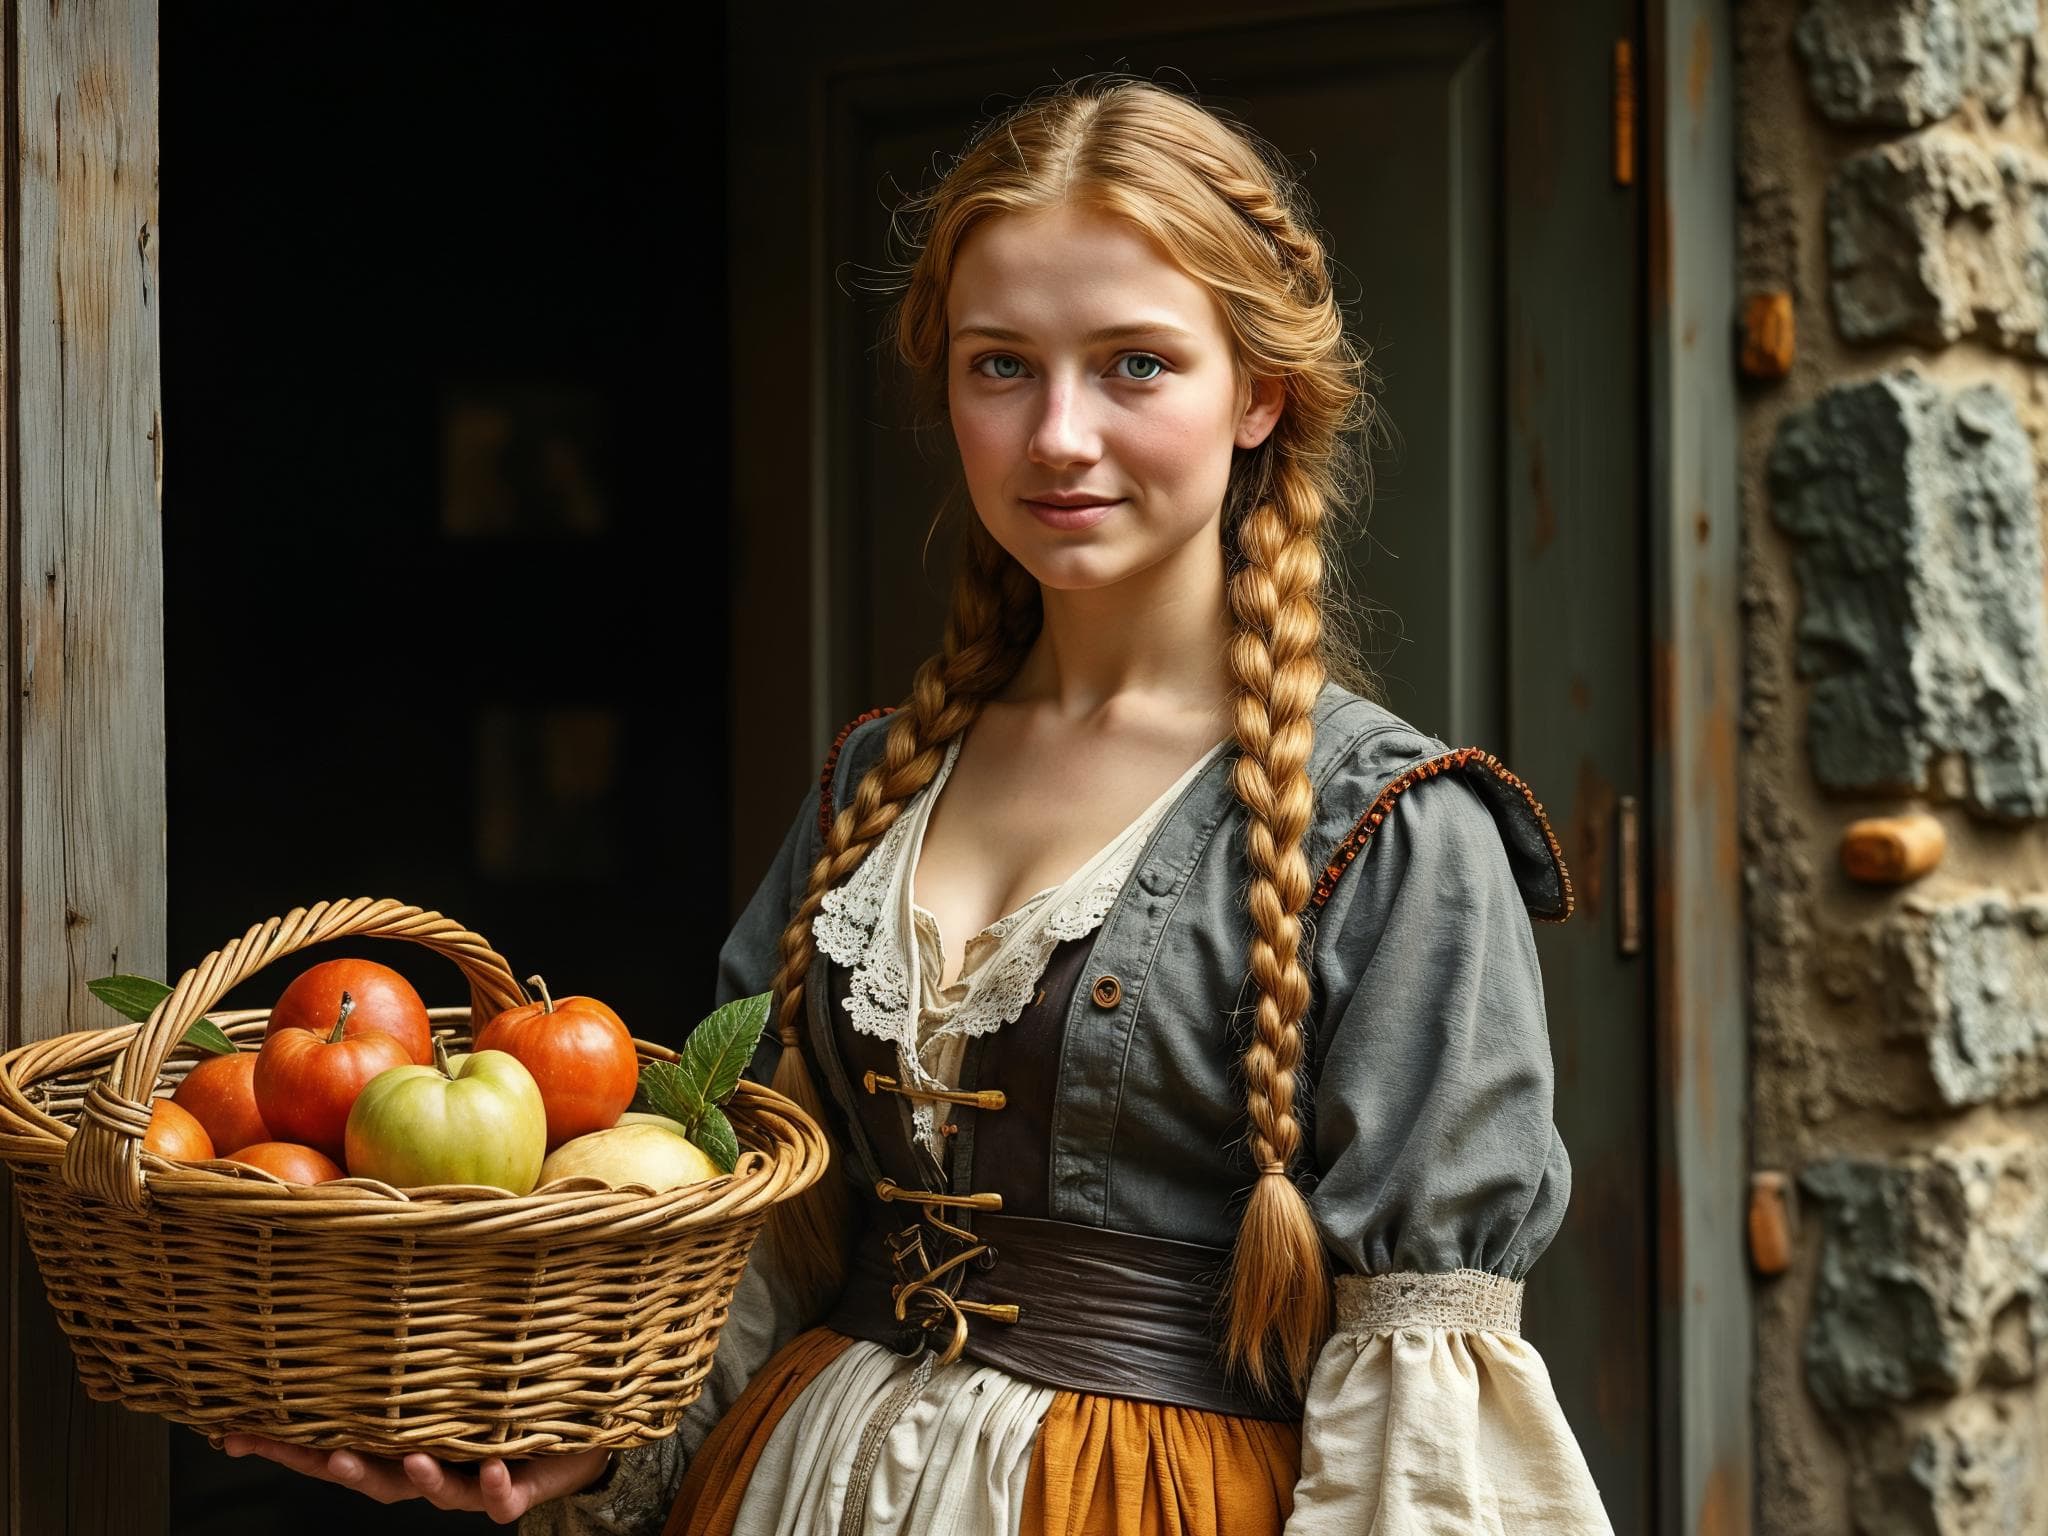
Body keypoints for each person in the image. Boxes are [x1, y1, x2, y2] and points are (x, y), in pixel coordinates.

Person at [227, 74, 1616, 1535]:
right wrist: (562, 1456)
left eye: (1137, 365)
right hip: (793, 1484)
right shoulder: (878, 779)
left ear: (1259, 393)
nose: (1058, 435)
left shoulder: (1392, 830)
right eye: (1000, 365)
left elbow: (1417, 1403)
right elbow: (750, 1248)